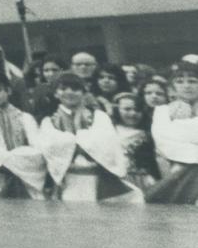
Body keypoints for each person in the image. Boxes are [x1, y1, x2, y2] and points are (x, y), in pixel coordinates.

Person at [35, 74, 138, 202]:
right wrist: (81, 142)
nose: (69, 92)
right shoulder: (49, 121)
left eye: (75, 89)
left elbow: (107, 143)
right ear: (56, 94)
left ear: (84, 93)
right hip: (67, 177)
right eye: (63, 88)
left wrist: (70, 143)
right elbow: (48, 147)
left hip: (97, 176)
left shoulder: (99, 117)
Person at [146, 57, 198, 204]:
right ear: (172, 86)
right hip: (176, 172)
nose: (186, 86)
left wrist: (180, 132)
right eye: (180, 81)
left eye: (193, 81)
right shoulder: (163, 111)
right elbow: (164, 143)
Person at [109, 93, 161, 194]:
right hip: (114, 179)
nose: (133, 113)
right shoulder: (109, 131)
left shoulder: (148, 135)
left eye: (137, 110)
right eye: (127, 109)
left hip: (141, 180)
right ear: (116, 110)